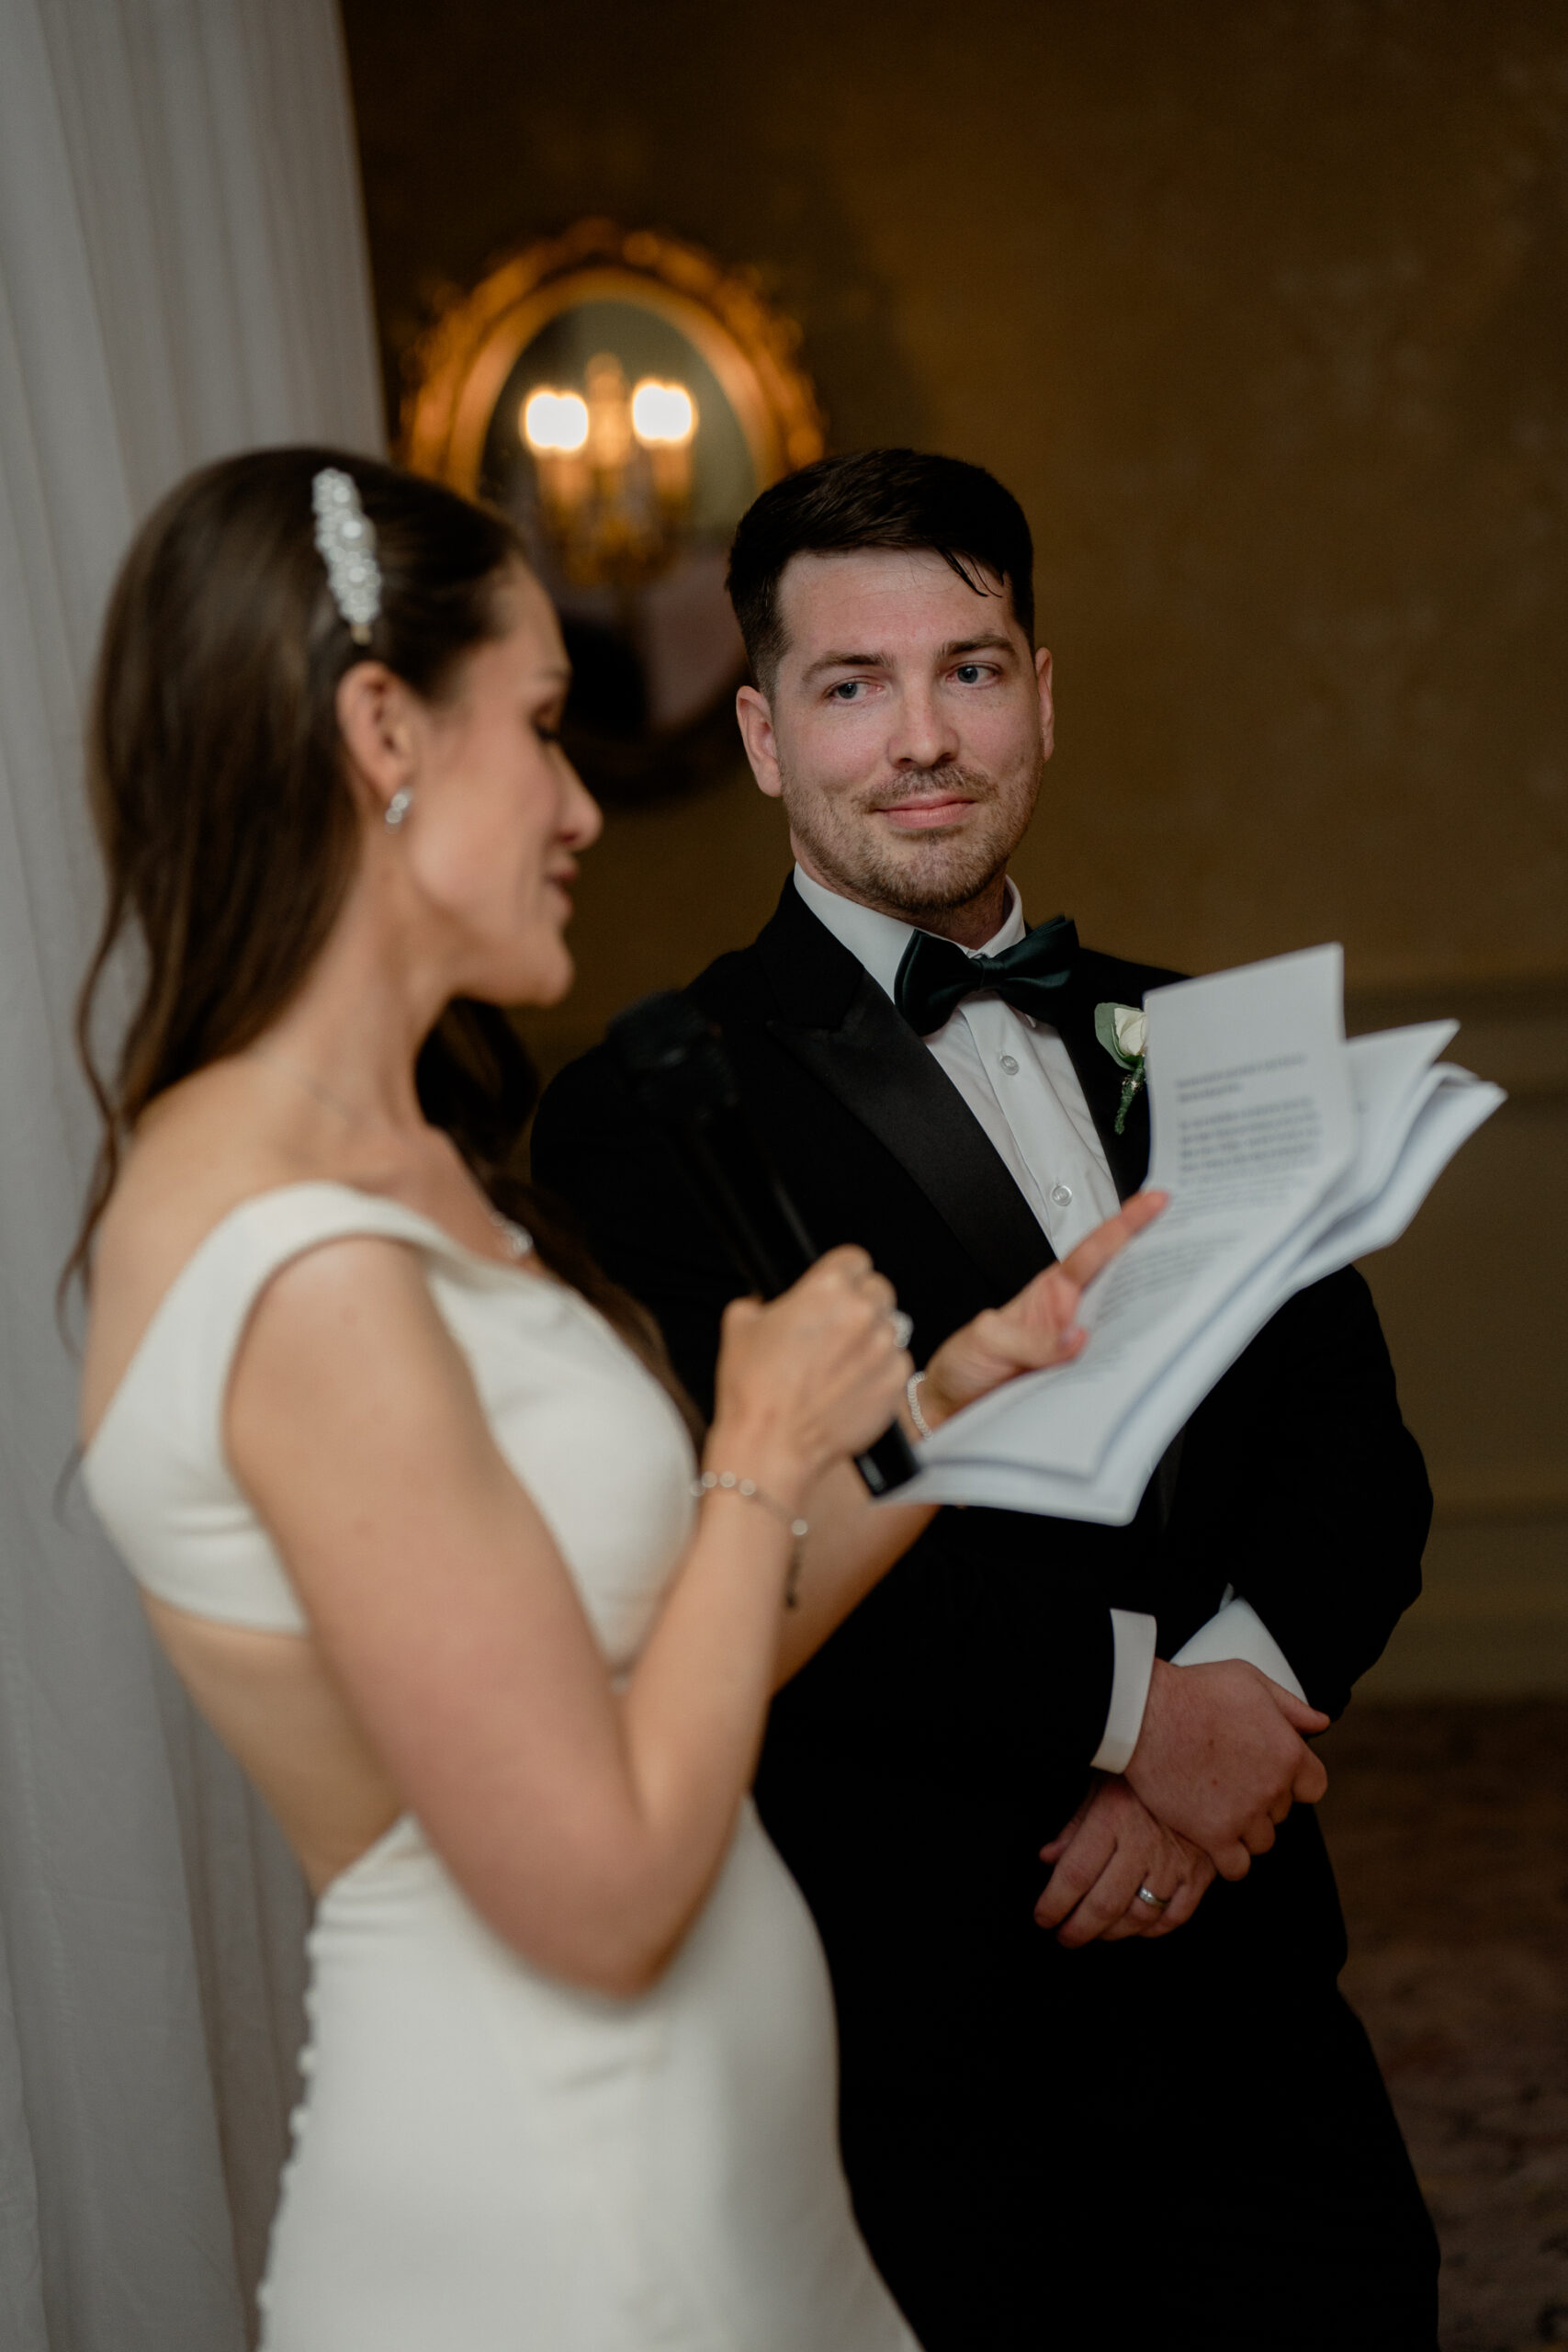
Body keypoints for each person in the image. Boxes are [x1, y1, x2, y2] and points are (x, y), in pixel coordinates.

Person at [70, 447, 1185, 2352]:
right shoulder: (300, 1261)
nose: (585, 807)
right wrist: (754, 1452)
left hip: (714, 2183)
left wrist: (947, 1396)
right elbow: (592, 1890)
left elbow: (665, 1649)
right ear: (379, 731)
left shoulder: (405, 1157)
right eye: (540, 729)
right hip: (564, 2211)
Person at [532, 448, 1443, 2350]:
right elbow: (753, 1532)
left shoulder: (1195, 1032)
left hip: (1255, 1964)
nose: (920, 738)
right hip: (932, 2000)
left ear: (1042, 692)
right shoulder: (657, 1100)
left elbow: (1350, 1454)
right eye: (852, 685)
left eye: (969, 667)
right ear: (765, 731)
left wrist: (1232, 1715)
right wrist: (1128, 1709)